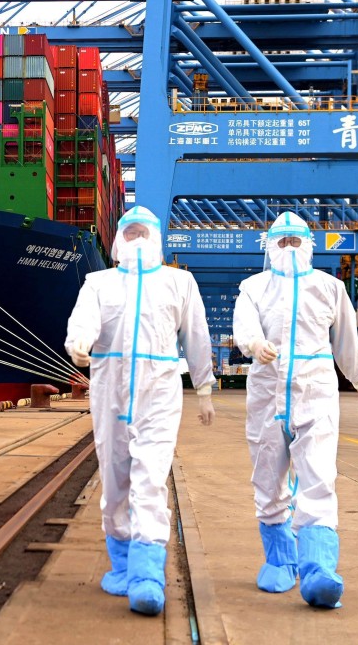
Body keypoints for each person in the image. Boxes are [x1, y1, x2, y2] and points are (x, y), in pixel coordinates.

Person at [64, 205, 216, 616]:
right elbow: (84, 320)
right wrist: (77, 341)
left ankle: (148, 575)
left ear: (157, 239)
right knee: (114, 478)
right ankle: (123, 565)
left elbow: (196, 335)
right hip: (109, 387)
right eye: (129, 232)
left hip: (159, 390)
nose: (136, 240)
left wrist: (204, 386)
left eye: (143, 232)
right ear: (116, 240)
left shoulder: (179, 282)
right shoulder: (98, 282)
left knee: (150, 477)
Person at [232, 211, 358, 609]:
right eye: (283, 242)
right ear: (270, 246)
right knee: (267, 476)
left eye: (297, 242)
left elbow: (346, 340)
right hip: (266, 390)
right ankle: (280, 561)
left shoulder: (329, 288)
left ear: (309, 245)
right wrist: (255, 344)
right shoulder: (254, 287)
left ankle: (319, 571)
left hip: (315, 390)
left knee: (318, 476)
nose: (290, 249)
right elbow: (243, 325)